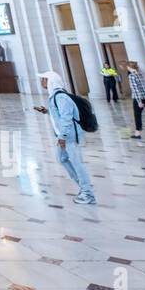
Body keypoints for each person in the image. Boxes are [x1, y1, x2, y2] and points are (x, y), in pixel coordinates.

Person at [33, 70, 95, 205]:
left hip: (69, 136)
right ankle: (83, 187)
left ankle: (87, 193)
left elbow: (67, 118)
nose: (42, 82)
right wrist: (47, 111)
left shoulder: (60, 97)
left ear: (50, 82)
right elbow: (60, 114)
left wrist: (62, 137)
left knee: (77, 163)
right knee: (61, 159)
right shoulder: (54, 96)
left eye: (44, 79)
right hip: (64, 135)